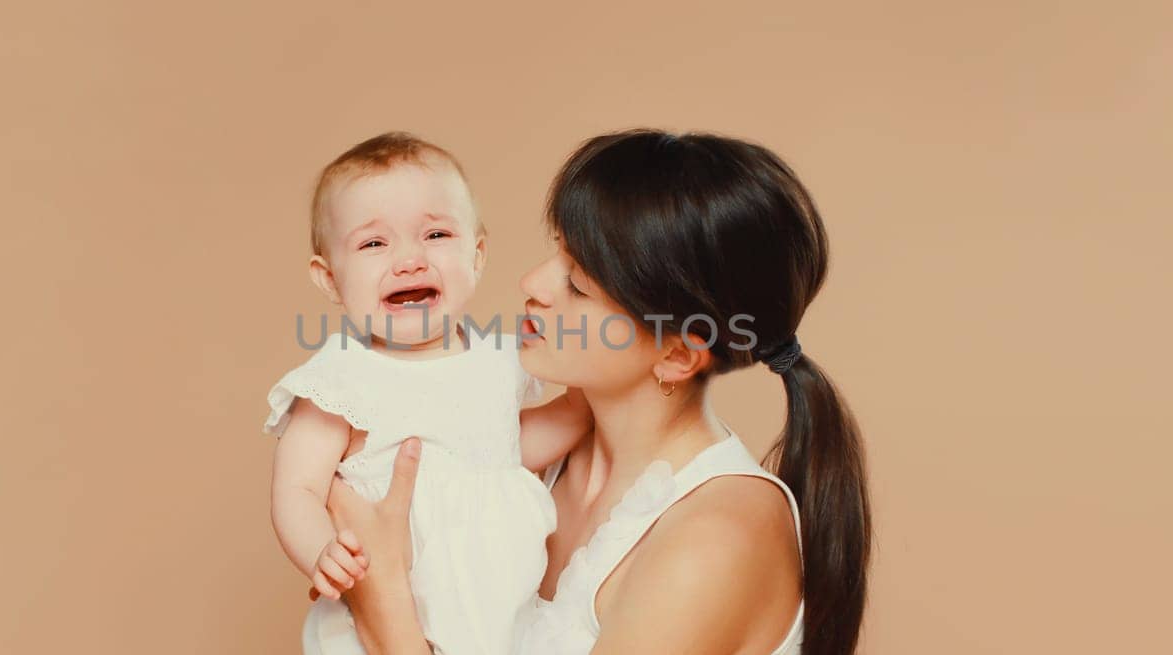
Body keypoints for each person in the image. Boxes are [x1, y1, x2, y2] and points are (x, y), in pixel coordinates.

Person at [325, 129, 872, 655]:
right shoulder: (526, 459)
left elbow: (400, 608)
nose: (534, 286)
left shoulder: (718, 535)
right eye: (556, 252)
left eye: (579, 284)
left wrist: (385, 609)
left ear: (677, 355)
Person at [264, 132, 589, 655]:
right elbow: (297, 489)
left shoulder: (498, 358)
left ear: (477, 255)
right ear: (329, 279)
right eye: (374, 244)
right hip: (382, 612)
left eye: (435, 235)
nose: (410, 260)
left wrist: (581, 408)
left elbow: (505, 449)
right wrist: (322, 549)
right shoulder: (339, 377)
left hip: (498, 606)